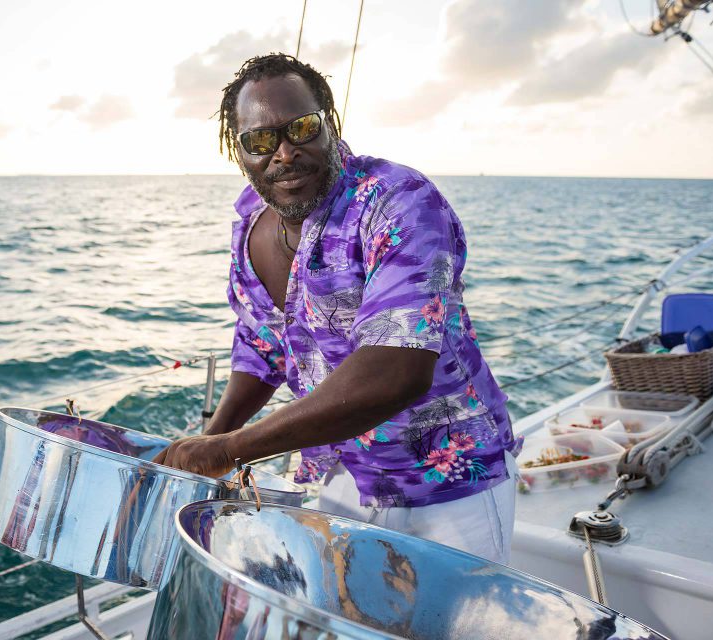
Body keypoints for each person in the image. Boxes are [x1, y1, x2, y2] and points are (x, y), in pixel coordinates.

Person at [153, 53, 520, 564]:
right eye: (260, 140)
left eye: (302, 129)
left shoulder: (400, 202)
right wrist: (207, 442)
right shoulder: (252, 225)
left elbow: (396, 372)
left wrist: (230, 449)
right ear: (237, 152)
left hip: (451, 485)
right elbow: (264, 350)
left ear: (330, 123)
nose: (284, 153)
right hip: (343, 476)